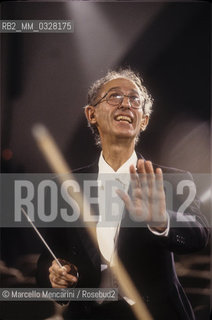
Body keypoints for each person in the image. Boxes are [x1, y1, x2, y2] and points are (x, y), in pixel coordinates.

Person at [36, 68, 209, 320]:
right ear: (91, 114)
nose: (126, 104)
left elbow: (199, 234)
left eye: (135, 99)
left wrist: (161, 221)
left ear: (144, 120)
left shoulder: (173, 179)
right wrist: (54, 276)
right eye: (114, 96)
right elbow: (47, 260)